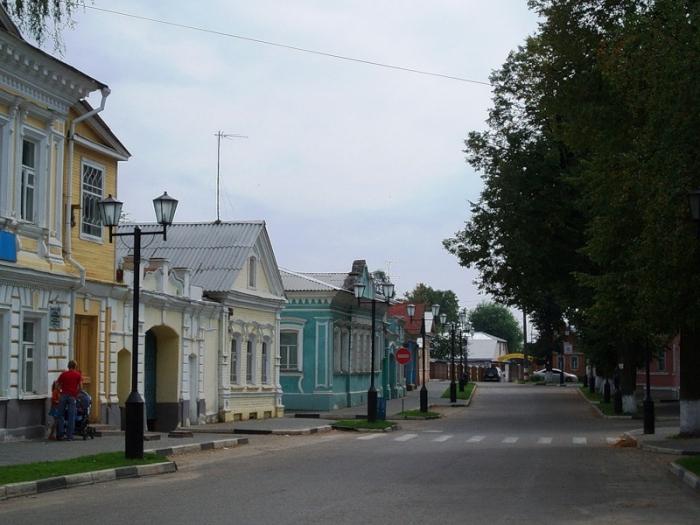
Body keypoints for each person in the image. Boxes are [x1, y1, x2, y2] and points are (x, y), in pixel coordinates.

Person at [56, 360, 82, 441]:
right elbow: (81, 387)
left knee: (60, 415)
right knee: (71, 416)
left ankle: (60, 435)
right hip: (72, 396)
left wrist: (60, 391)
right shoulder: (78, 375)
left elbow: (57, 384)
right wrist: (77, 394)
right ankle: (69, 436)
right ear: (75, 366)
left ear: (68, 366)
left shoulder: (63, 374)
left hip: (63, 395)